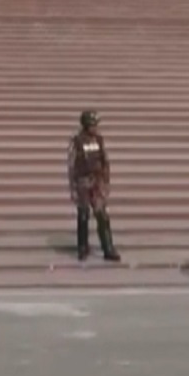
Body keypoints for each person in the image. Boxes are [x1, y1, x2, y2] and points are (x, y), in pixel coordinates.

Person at [66, 110, 119, 263]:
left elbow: (105, 161)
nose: (95, 128)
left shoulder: (99, 140)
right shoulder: (77, 142)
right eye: (93, 125)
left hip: (97, 182)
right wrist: (73, 188)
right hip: (82, 181)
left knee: (102, 215)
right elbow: (71, 165)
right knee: (83, 215)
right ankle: (83, 247)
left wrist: (106, 182)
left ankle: (108, 248)